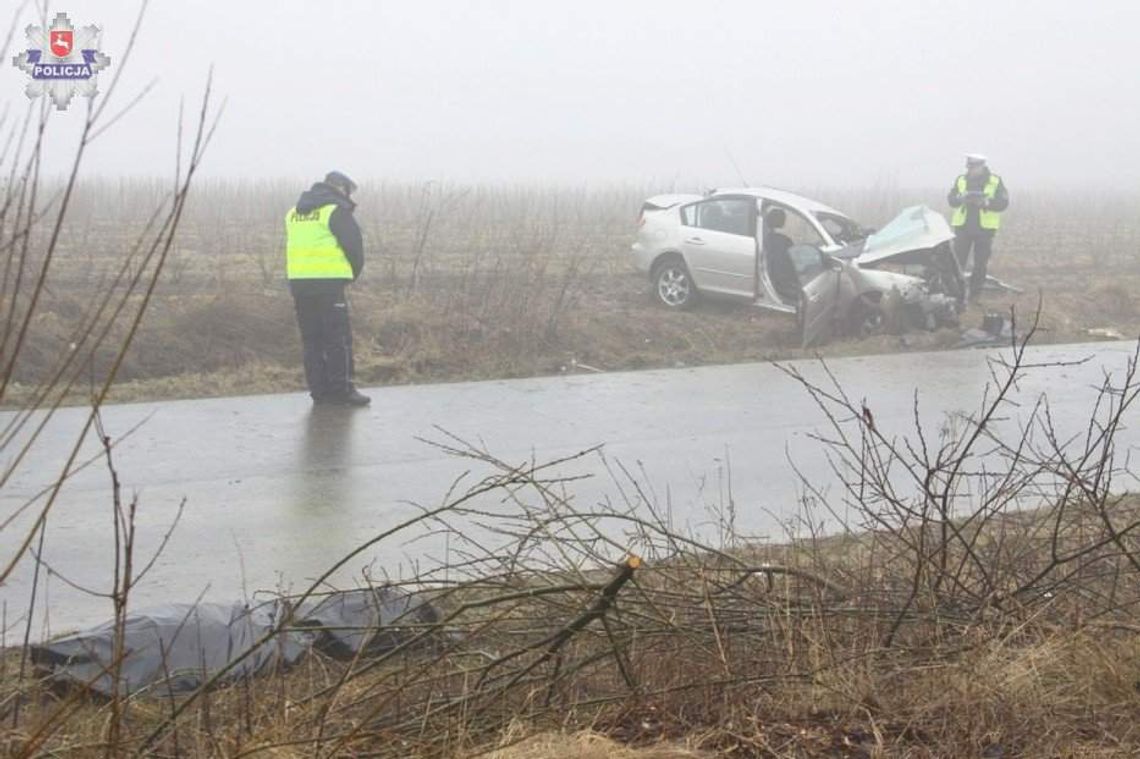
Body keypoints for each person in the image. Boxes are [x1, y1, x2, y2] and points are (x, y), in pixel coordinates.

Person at [284, 170, 370, 406]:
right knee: (337, 338)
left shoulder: (293, 213)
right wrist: (350, 274)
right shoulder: (335, 211)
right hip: (329, 284)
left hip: (300, 284)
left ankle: (319, 392)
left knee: (312, 340)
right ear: (340, 188)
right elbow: (354, 248)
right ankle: (342, 391)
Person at [947, 153, 1009, 299]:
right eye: (969, 167)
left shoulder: (995, 181)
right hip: (963, 227)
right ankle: (955, 293)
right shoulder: (961, 180)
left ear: (982, 166)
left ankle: (975, 294)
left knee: (980, 264)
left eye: (974, 167)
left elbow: (1003, 203)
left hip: (985, 229)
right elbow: (951, 199)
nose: (971, 170)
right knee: (957, 261)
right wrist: (961, 199)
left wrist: (987, 203)